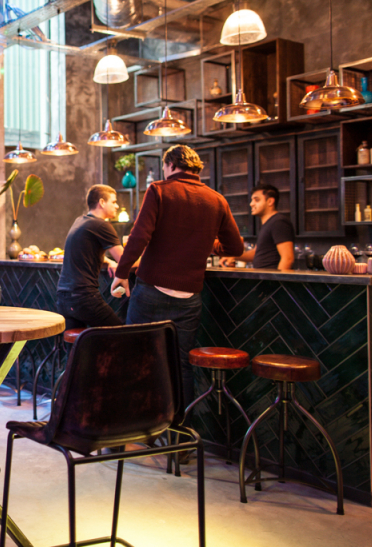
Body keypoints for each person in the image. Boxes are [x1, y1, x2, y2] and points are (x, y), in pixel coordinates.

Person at [111, 145, 243, 409]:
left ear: (170, 165)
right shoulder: (217, 199)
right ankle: (180, 429)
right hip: (189, 298)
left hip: (151, 292)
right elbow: (236, 248)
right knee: (181, 365)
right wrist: (208, 244)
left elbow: (139, 236)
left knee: (135, 356)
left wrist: (122, 272)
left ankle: (132, 423)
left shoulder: (159, 190)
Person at [56, 185, 126, 329]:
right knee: (120, 334)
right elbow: (125, 260)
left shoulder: (80, 221)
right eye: (113, 202)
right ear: (102, 202)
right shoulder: (101, 225)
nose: (117, 206)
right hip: (83, 298)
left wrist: (108, 261)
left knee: (80, 343)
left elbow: (84, 252)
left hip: (64, 298)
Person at [219, 183, 295, 271]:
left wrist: (277, 279)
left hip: (270, 278)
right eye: (252, 200)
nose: (251, 204)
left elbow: (288, 258)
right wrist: (233, 256)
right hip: (263, 277)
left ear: (270, 201)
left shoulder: (278, 222)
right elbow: (257, 253)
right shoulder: (268, 224)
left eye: (257, 200)